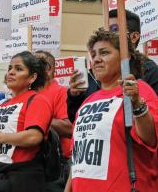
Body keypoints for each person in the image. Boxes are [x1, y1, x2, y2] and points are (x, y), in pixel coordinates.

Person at [65, 28, 158, 192]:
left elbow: (151, 139)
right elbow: (78, 158)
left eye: (104, 53)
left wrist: (137, 103)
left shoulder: (140, 89)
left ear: (124, 58)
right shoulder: (88, 100)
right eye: (93, 55)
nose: (97, 59)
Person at [67, 9, 158, 123]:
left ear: (134, 37)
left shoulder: (149, 72)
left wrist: (136, 103)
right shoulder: (92, 75)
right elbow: (76, 119)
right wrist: (75, 96)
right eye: (94, 55)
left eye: (114, 30)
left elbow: (150, 131)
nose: (107, 35)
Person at [0, 51, 52, 192]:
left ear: (32, 77)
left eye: (18, 69)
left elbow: (34, 136)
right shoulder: (2, 105)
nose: (11, 72)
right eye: (10, 68)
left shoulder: (37, 100)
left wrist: (1, 137)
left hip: (20, 180)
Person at [35, 50, 73, 191]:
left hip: (57, 166)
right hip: (36, 165)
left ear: (48, 70)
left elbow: (69, 128)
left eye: (34, 63)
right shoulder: (30, 93)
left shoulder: (61, 92)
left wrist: (37, 118)